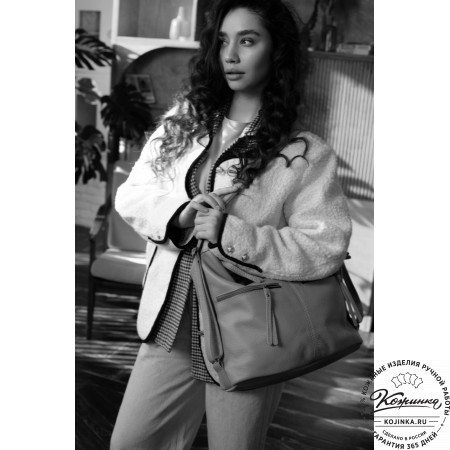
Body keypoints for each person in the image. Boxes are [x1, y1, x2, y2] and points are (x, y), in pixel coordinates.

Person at [110, 0, 352, 449]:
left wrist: (231, 233)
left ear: (276, 51)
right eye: (223, 41)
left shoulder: (304, 152)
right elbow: (131, 194)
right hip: (171, 323)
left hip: (249, 333)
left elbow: (326, 245)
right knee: (131, 443)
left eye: (248, 40)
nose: (231, 55)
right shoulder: (184, 124)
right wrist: (180, 214)